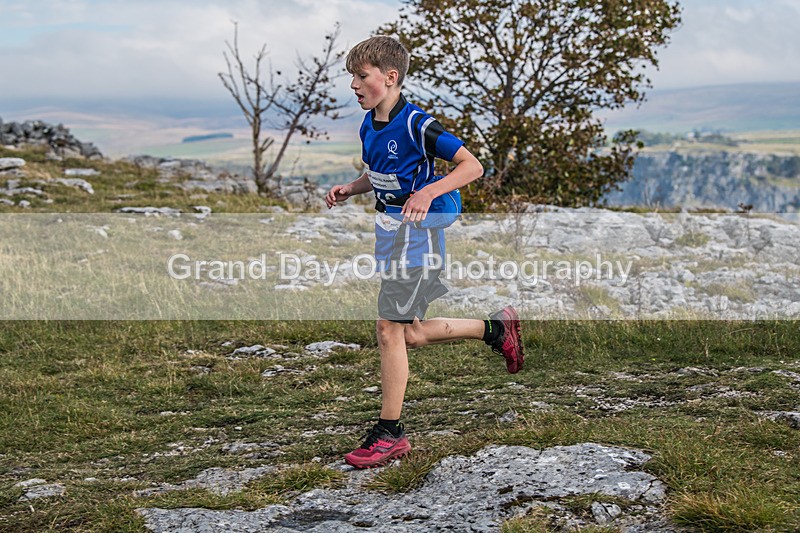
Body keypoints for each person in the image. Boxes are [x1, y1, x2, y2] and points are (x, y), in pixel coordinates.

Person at [324, 36, 524, 469]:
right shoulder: (368, 125)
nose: (354, 86)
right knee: (409, 333)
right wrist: (351, 188)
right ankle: (496, 329)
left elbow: (473, 166)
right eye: (352, 78)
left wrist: (429, 191)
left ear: (390, 77)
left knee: (388, 330)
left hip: (418, 242)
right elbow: (379, 174)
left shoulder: (418, 124)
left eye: (362, 76)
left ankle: (390, 433)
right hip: (392, 239)